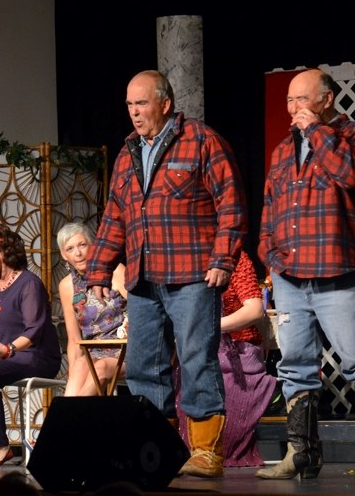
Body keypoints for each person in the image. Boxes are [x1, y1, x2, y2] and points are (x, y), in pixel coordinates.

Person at [86, 70, 247, 478]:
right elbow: (114, 217)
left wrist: (222, 259)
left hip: (192, 273)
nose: (134, 112)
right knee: (144, 365)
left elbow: (231, 203)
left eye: (141, 104)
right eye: (129, 105)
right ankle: (156, 449)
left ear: (165, 104)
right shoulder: (127, 152)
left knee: (196, 358)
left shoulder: (202, 141)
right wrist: (100, 269)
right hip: (144, 277)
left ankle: (206, 451)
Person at [255, 68, 355, 480]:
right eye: (289, 101)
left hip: (338, 270)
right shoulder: (283, 149)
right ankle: (301, 453)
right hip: (289, 274)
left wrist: (316, 131)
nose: (294, 108)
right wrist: (268, 250)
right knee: (295, 363)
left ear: (327, 100)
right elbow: (269, 204)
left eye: (302, 99)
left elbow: (349, 175)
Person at [173, 250, 280, 468]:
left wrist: (209, 327)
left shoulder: (236, 258)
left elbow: (254, 310)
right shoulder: (183, 256)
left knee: (223, 414)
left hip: (237, 357)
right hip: (196, 352)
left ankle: (207, 456)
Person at [0, 223, 61, 468]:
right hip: (6, 356)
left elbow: (34, 329)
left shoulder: (28, 284)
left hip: (35, 355)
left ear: (4, 252)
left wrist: (8, 349)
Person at [57, 222, 127, 396]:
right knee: (80, 365)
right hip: (93, 353)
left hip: (127, 349)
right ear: (64, 255)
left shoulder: (116, 271)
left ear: (93, 246)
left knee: (101, 368)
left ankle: (73, 419)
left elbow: (143, 311)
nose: (78, 253)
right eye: (70, 248)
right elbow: (74, 339)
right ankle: (67, 419)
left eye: (82, 245)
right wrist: (72, 373)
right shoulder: (67, 286)